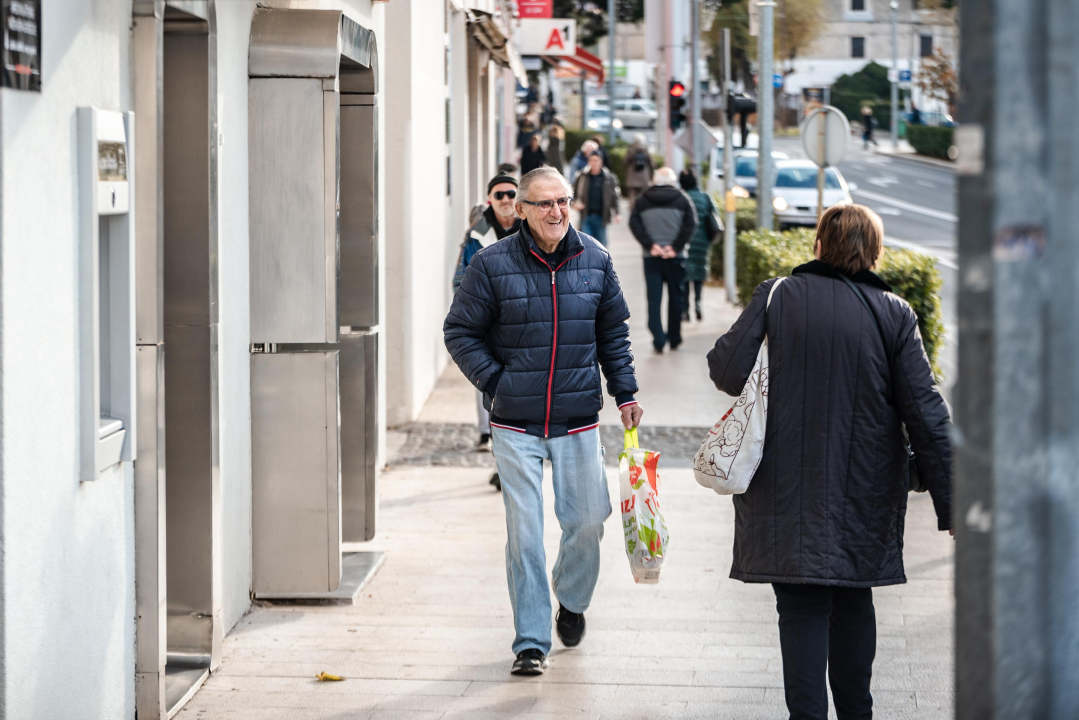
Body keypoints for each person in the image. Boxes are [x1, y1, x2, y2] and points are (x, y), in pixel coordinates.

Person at [706, 203, 953, 720]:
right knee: (853, 600)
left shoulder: (777, 296)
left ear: (817, 246)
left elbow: (727, 370)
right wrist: (953, 504)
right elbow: (927, 413)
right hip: (863, 489)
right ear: (875, 253)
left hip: (783, 489)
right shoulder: (894, 313)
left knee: (799, 610)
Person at [444, 166, 643, 676]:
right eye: (544, 204)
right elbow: (460, 331)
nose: (556, 212)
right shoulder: (491, 264)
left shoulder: (594, 258)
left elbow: (613, 334)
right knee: (525, 534)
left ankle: (572, 601)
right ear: (522, 211)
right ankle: (531, 641)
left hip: (577, 418)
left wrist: (625, 393)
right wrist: (497, 383)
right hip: (515, 422)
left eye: (563, 201)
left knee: (586, 522)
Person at [452, 174, 523, 491]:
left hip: (527, 327)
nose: (506, 199)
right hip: (490, 329)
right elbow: (460, 281)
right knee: (495, 395)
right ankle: (504, 463)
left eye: (511, 193)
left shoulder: (532, 226)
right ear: (489, 199)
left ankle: (516, 462)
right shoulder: (476, 236)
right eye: (500, 194)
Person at [629, 167, 698, 353]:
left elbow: (634, 223)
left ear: (654, 180)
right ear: (673, 181)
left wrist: (650, 245)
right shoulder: (683, 199)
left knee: (653, 299)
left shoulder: (642, 199)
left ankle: (658, 339)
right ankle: (674, 338)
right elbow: (692, 223)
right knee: (676, 298)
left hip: (651, 257)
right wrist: (675, 247)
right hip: (676, 257)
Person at [678, 168, 720, 322]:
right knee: (699, 276)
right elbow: (715, 216)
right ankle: (697, 304)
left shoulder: (682, 197)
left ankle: (685, 310)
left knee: (685, 276)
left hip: (686, 242)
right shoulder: (705, 197)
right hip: (703, 242)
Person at [572, 151, 620, 247]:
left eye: (596, 160)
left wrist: (617, 213)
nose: (594, 163)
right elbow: (572, 193)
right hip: (586, 216)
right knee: (586, 245)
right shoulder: (582, 176)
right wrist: (574, 204)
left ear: (601, 161)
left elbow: (614, 197)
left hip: (601, 217)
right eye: (591, 160)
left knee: (602, 247)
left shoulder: (608, 177)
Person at [624, 134, 654, 211]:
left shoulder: (630, 149)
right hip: (644, 178)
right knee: (643, 196)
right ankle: (642, 212)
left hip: (632, 178)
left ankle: (633, 213)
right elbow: (652, 163)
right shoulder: (646, 149)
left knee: (632, 198)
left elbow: (625, 162)